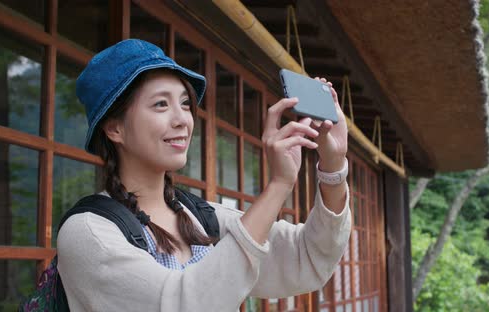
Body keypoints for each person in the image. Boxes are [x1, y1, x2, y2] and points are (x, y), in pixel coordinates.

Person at [57, 39, 351, 311]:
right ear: (114, 129)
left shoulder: (201, 217)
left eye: (185, 103)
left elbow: (307, 257)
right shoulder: (88, 233)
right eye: (161, 104)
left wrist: (333, 166)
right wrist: (279, 185)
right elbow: (187, 303)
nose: (182, 120)